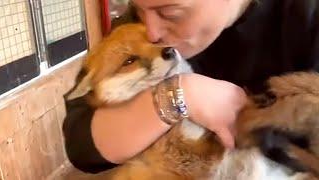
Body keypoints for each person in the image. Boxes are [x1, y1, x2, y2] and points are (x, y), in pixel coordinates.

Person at [63, 0, 319, 173]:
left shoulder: (306, 18)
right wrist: (180, 95)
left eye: (170, 13)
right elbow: (81, 141)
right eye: (139, 10)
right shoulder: (149, 14)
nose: (151, 33)